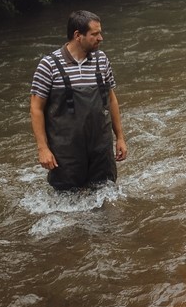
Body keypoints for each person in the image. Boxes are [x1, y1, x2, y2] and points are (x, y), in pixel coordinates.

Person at [30, 10, 128, 190]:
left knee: (106, 195)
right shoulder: (49, 65)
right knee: (68, 201)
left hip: (100, 146)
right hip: (66, 151)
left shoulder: (102, 60)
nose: (101, 38)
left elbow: (111, 99)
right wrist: (42, 149)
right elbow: (36, 108)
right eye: (95, 34)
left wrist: (120, 137)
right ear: (77, 35)